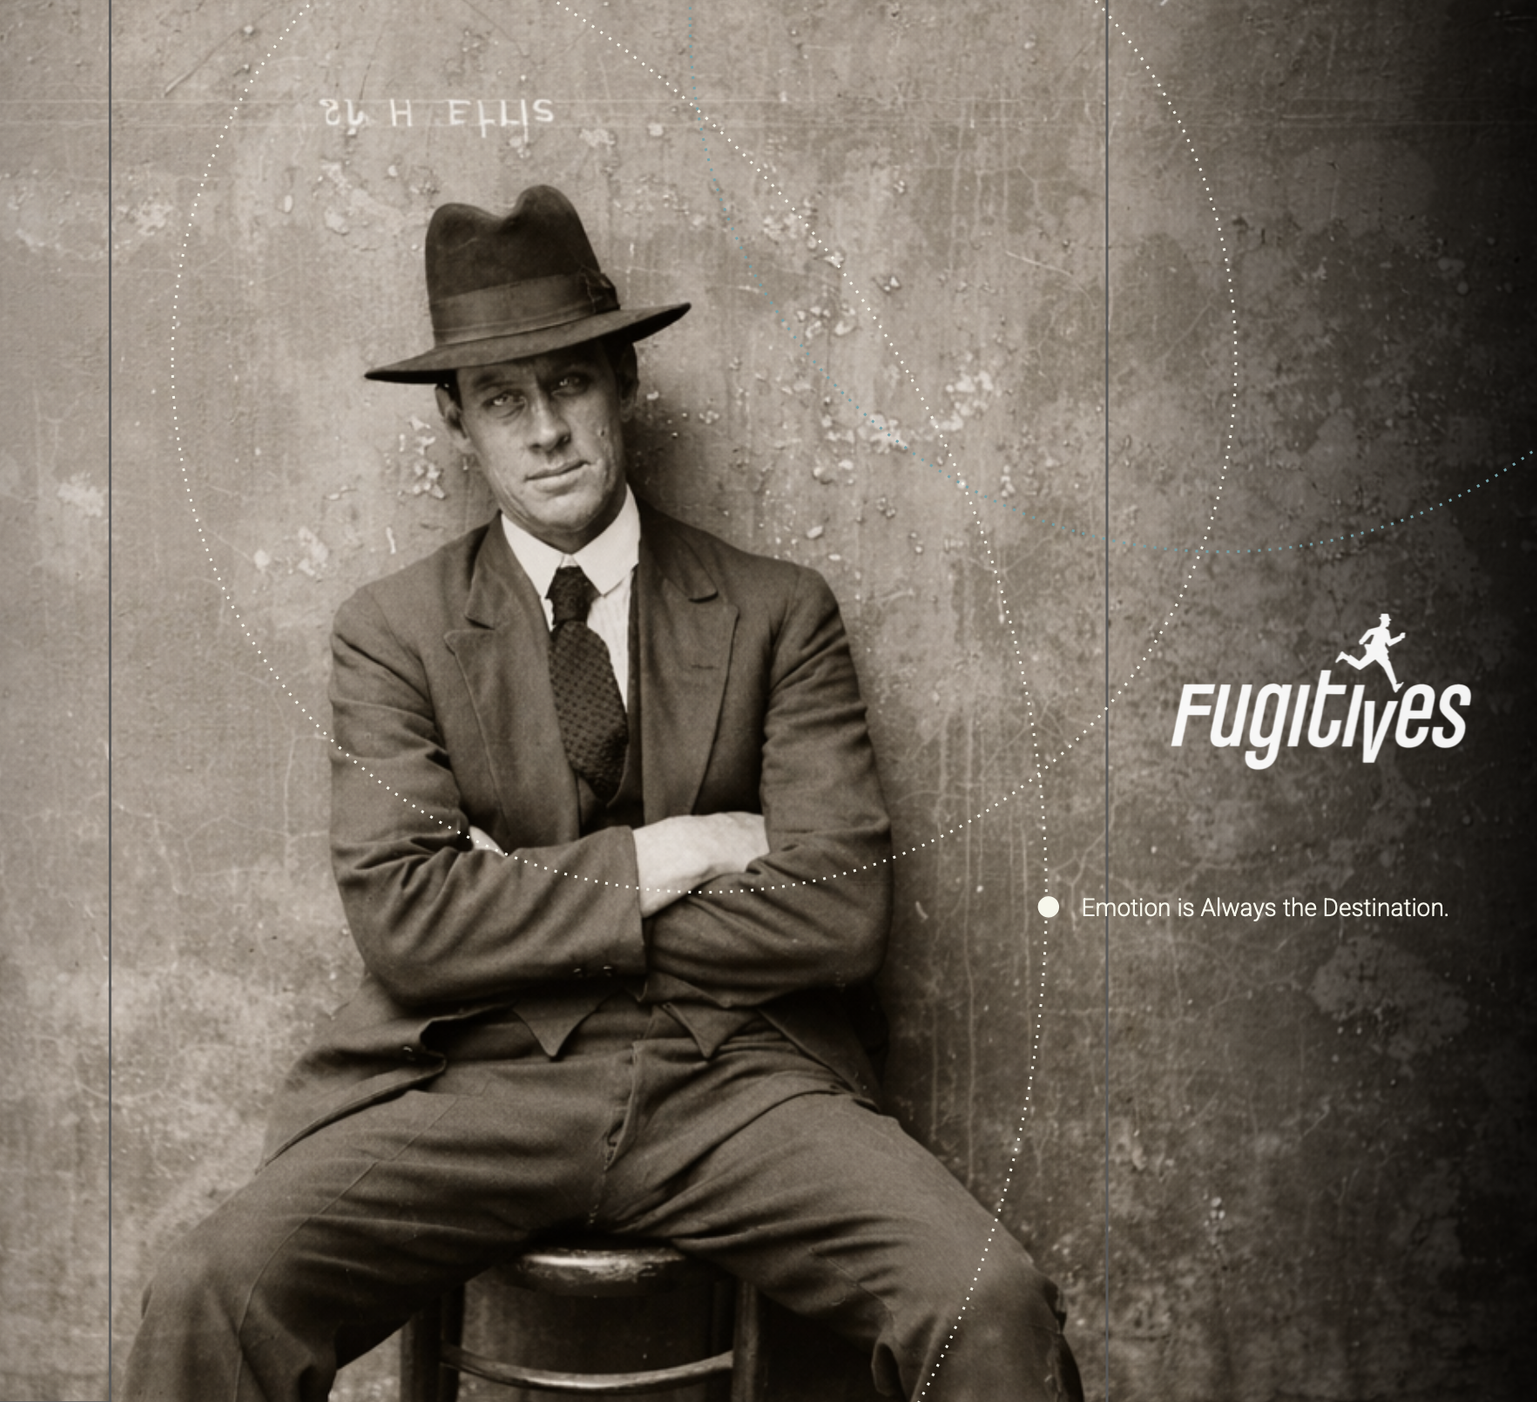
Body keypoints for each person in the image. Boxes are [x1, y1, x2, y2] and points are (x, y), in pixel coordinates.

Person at [124, 185, 1080, 1401]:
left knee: (985, 1301)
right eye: (503, 400)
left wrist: (510, 900)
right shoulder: (391, 635)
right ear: (455, 421)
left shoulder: (780, 612)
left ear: (624, 384)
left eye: (570, 383)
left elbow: (838, 911)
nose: (546, 432)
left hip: (734, 1080)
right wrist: (675, 851)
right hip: (473, 1085)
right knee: (206, 1290)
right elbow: (409, 927)